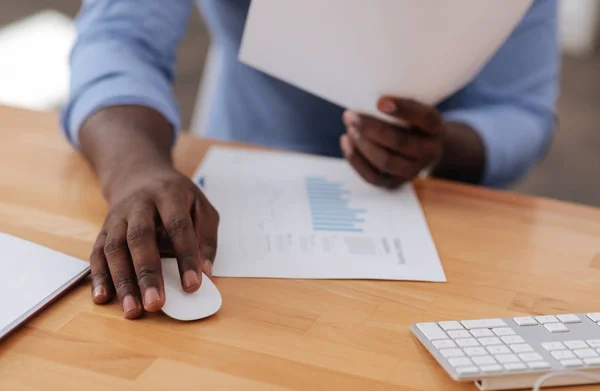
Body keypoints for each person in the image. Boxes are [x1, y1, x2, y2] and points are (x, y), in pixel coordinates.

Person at [61, 0, 559, 319]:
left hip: (434, 216)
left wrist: (441, 146)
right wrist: (135, 169)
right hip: (237, 189)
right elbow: (118, 37)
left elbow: (521, 108)